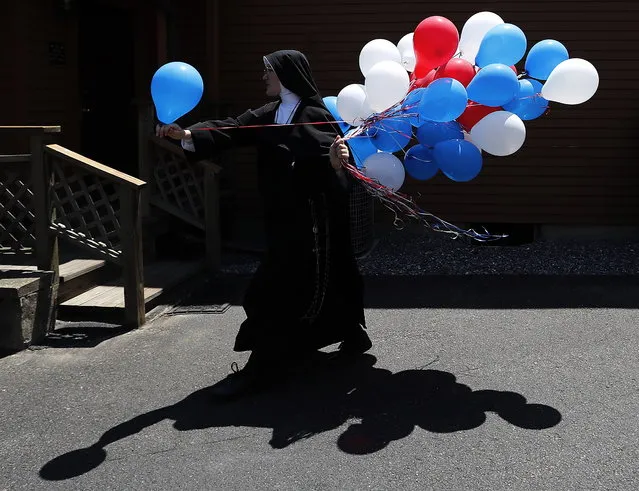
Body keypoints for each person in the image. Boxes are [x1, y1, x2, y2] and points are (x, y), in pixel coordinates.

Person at [156, 50, 371, 399]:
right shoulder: (269, 114)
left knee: (270, 293)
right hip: (281, 220)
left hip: (310, 226)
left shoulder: (315, 114)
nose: (263, 77)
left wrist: (335, 162)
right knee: (321, 284)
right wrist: (186, 134)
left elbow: (331, 164)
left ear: (285, 75)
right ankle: (351, 332)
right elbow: (233, 128)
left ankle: (261, 369)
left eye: (268, 71)